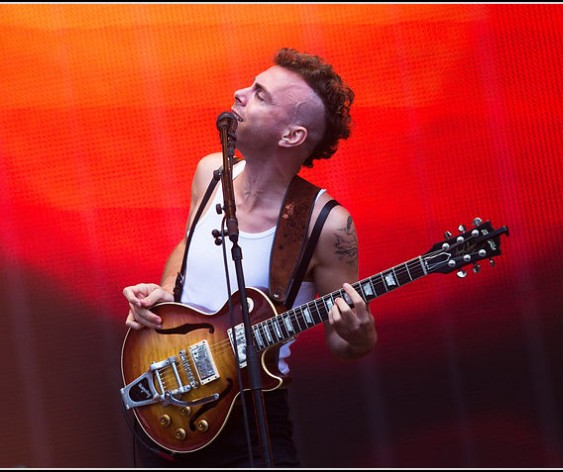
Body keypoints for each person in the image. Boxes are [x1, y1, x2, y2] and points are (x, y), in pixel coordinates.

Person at [122, 47, 377, 468]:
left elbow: (343, 343)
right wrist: (163, 295)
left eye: (260, 94)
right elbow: (188, 246)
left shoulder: (328, 225)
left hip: (251, 413)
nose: (240, 93)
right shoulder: (211, 172)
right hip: (170, 392)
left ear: (292, 135)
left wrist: (360, 333)